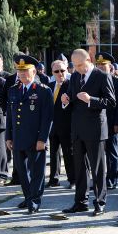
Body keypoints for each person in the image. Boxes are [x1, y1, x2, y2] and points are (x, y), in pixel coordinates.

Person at [61, 49, 115, 217]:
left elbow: (111, 101)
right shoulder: (76, 76)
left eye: (80, 65)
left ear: (89, 60)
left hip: (95, 129)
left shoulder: (102, 76)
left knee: (97, 168)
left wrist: (91, 99)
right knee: (80, 168)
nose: (77, 69)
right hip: (78, 129)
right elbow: (72, 97)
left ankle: (99, 202)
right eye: (74, 66)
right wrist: (66, 100)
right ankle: (80, 202)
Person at [6, 55, 53, 214]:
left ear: (34, 72)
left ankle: (34, 201)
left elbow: (47, 118)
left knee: (37, 173)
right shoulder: (13, 90)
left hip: (35, 139)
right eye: (20, 71)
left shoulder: (43, 91)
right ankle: (28, 198)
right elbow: (10, 116)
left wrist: (43, 139)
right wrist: (8, 137)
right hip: (18, 138)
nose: (22, 74)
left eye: (25, 71)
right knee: (21, 172)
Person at [94, 52, 118, 190]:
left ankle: (112, 179)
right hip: (96, 123)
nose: (100, 67)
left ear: (110, 66)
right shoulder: (93, 81)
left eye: (103, 64)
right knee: (98, 153)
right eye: (98, 64)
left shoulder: (117, 81)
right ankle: (98, 180)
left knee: (112, 152)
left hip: (112, 122)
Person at [47, 59, 74, 188]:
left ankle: (72, 179)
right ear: (52, 72)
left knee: (68, 154)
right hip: (53, 127)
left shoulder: (71, 85)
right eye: (56, 71)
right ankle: (53, 179)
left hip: (67, 127)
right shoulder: (50, 86)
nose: (60, 73)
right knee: (53, 154)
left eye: (62, 70)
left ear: (67, 70)